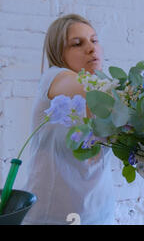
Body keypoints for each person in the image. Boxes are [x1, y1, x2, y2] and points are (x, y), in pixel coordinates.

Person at [23, 14, 116, 225]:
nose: (91, 48)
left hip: (100, 215)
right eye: (77, 43)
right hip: (50, 218)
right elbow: (89, 89)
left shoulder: (107, 93)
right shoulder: (55, 78)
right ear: (59, 53)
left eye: (94, 40)